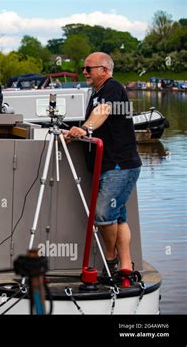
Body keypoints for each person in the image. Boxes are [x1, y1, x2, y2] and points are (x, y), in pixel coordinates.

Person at [65, 52, 142, 279]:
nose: (85, 72)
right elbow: (97, 120)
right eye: (84, 68)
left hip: (119, 166)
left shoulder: (112, 88)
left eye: (89, 68)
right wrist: (73, 131)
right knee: (118, 217)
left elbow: (103, 112)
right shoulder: (96, 93)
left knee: (103, 214)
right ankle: (125, 267)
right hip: (107, 165)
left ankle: (110, 259)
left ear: (105, 70)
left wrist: (86, 128)